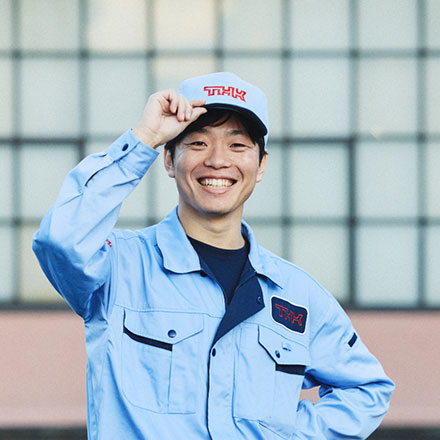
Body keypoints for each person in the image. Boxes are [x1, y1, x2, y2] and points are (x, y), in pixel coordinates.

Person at [33, 72, 394, 439]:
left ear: (261, 165)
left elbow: (367, 391)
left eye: (237, 145)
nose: (218, 160)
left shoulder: (298, 295)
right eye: (198, 143)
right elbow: (60, 242)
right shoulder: (119, 267)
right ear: (169, 160)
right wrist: (144, 138)